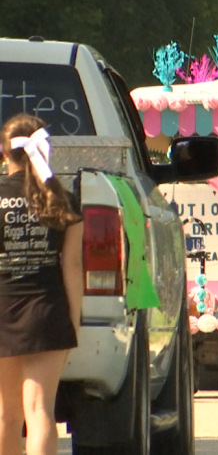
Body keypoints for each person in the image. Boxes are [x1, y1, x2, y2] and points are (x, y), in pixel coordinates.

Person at [0, 114, 84, 454]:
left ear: (4, 152)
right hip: (47, 311)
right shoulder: (61, 199)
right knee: (39, 411)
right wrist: (73, 319)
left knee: (6, 414)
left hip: (2, 309)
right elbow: (73, 268)